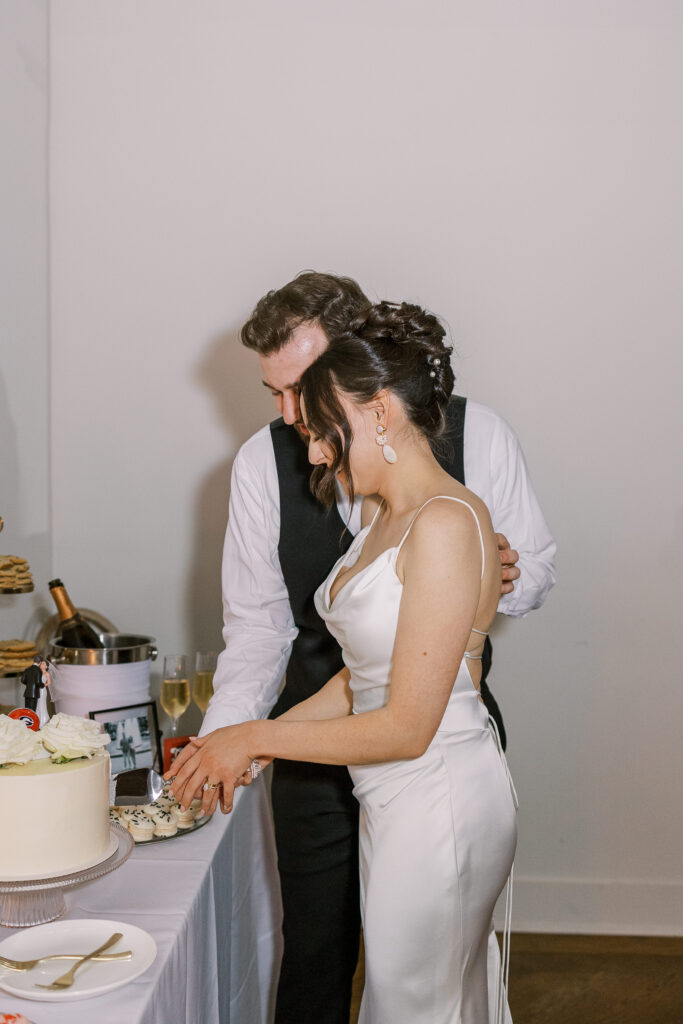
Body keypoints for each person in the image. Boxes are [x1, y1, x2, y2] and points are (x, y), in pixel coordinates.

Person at [198, 272, 555, 1023]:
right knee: (319, 957)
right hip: (334, 744)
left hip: (429, 762)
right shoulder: (272, 467)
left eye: (307, 391)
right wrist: (230, 743)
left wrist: (484, 579)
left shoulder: (467, 458)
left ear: (366, 382)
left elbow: (515, 583)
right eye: (278, 394)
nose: (298, 423)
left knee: (421, 984)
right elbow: (261, 629)